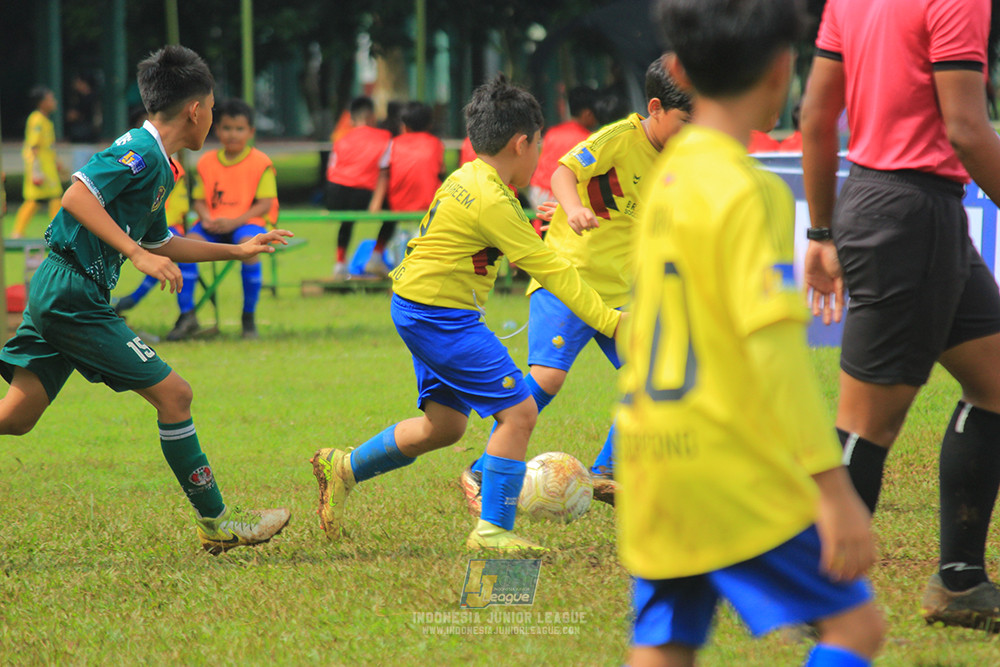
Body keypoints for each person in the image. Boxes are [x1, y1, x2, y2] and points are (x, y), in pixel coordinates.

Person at [617, 1, 888, 665]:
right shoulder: (750, 190)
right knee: (856, 627)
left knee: (664, 644)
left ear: (678, 67)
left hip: (652, 459)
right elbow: (774, 357)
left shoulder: (667, 181)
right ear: (782, 69)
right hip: (726, 470)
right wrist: (834, 489)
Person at [309, 74, 623, 553]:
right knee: (518, 413)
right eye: (538, 145)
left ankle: (343, 467)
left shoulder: (469, 178)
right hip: (441, 315)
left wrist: (531, 226)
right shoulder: (494, 200)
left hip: (418, 306)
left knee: (444, 427)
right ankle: (493, 530)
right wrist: (615, 322)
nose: (539, 155)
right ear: (522, 142)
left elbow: (492, 231)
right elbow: (554, 272)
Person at [0, 45, 293, 555]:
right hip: (71, 293)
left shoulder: (162, 164)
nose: (215, 119)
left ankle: (216, 522)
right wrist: (134, 254)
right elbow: (76, 196)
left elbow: (162, 242)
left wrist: (236, 248)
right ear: (195, 110)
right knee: (175, 395)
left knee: (15, 418)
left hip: (64, 290)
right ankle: (218, 521)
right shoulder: (138, 150)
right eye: (214, 108)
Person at [801, 0, 1000, 633]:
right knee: (865, 425)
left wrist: (822, 230)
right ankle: (817, 593)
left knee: (997, 383)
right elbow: (967, 129)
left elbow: (814, 116)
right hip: (913, 215)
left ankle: (961, 583)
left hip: (880, 198)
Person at [459, 56, 691, 513]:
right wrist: (573, 207)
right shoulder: (618, 137)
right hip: (568, 279)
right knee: (549, 376)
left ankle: (607, 471)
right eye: (687, 122)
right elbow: (564, 172)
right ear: (656, 108)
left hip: (621, 292)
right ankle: (483, 471)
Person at [167, 98, 279, 340]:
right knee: (187, 246)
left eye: (239, 129)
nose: (233, 134)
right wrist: (206, 217)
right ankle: (187, 315)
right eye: (227, 128)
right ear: (217, 130)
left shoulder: (261, 163)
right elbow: (198, 199)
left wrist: (235, 222)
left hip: (247, 223)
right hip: (213, 224)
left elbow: (265, 204)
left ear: (251, 132)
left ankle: (248, 317)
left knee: (251, 247)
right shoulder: (207, 162)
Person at [114, 108, 191, 317]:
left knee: (178, 258)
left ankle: (187, 314)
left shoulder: (172, 168)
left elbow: (178, 206)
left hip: (166, 227)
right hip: (140, 229)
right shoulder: (134, 162)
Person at [366, 101, 445, 277]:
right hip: (429, 205)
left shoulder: (393, 143)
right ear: (430, 125)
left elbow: (384, 173)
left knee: (389, 219)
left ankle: (376, 256)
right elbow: (441, 172)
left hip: (398, 205)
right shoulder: (436, 144)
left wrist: (376, 203)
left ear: (404, 125)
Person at [325, 97, 393, 280]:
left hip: (334, 196)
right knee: (394, 212)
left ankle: (339, 265)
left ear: (351, 119)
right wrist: (377, 202)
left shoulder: (340, 139)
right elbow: (384, 172)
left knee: (346, 222)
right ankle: (377, 256)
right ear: (372, 117)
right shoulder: (384, 137)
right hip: (363, 194)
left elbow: (331, 170)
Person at [527, 85, 598, 209]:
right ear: (588, 114)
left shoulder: (552, 132)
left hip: (536, 193)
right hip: (558, 194)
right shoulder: (587, 139)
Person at [13, 86, 64, 239]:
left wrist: (57, 162)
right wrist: (36, 170)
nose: (54, 102)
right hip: (40, 167)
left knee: (52, 198)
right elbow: (34, 145)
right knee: (38, 199)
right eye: (50, 99)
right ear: (42, 102)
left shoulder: (45, 120)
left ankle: (57, 231)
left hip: (47, 166)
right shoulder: (36, 119)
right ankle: (18, 232)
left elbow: (48, 146)